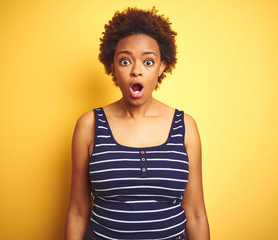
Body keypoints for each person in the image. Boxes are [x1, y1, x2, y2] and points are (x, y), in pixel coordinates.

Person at [65, 7, 210, 240]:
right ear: (112, 67)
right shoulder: (89, 125)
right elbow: (78, 212)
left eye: (148, 62)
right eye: (125, 61)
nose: (136, 71)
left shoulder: (185, 126)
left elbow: (195, 214)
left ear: (162, 66)